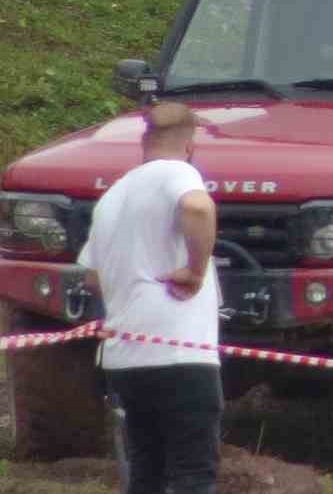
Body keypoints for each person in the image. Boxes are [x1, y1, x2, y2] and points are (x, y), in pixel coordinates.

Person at [78, 102, 221, 494]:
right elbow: (197, 207)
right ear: (190, 145)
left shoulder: (112, 197)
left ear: (144, 142)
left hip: (125, 358)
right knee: (194, 474)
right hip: (180, 352)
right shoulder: (179, 173)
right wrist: (195, 271)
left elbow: (92, 277)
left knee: (146, 473)